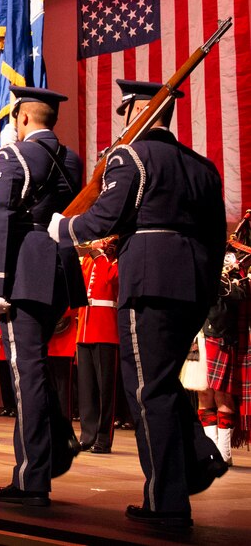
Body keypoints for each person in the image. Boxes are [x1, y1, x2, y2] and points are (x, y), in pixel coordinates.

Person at [48, 78, 229, 530]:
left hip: (149, 279)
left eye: (123, 111)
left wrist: (61, 229)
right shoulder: (203, 166)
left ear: (136, 112)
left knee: (148, 390)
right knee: (163, 383)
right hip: (192, 285)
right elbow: (214, 236)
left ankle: (166, 501)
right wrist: (205, 289)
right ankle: (199, 459)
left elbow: (105, 216)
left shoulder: (130, 156)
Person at [0, 86, 86, 509]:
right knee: (38, 369)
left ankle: (32, 478)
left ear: (22, 118)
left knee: (26, 374)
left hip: (24, 272)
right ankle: (57, 437)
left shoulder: (13, 156)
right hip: (60, 269)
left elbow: (2, 220)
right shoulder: (71, 160)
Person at [196, 249, 249, 466]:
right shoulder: (198, 265)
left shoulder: (232, 265)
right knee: (203, 395)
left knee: (222, 396)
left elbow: (239, 294)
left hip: (220, 336)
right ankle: (212, 451)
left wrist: (223, 277)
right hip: (198, 335)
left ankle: (224, 453)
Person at [76, 237, 120, 454]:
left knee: (104, 389)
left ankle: (103, 438)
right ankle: (87, 435)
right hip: (85, 326)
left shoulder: (117, 261)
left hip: (106, 329)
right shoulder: (90, 261)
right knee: (87, 388)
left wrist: (100, 256)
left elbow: (111, 281)